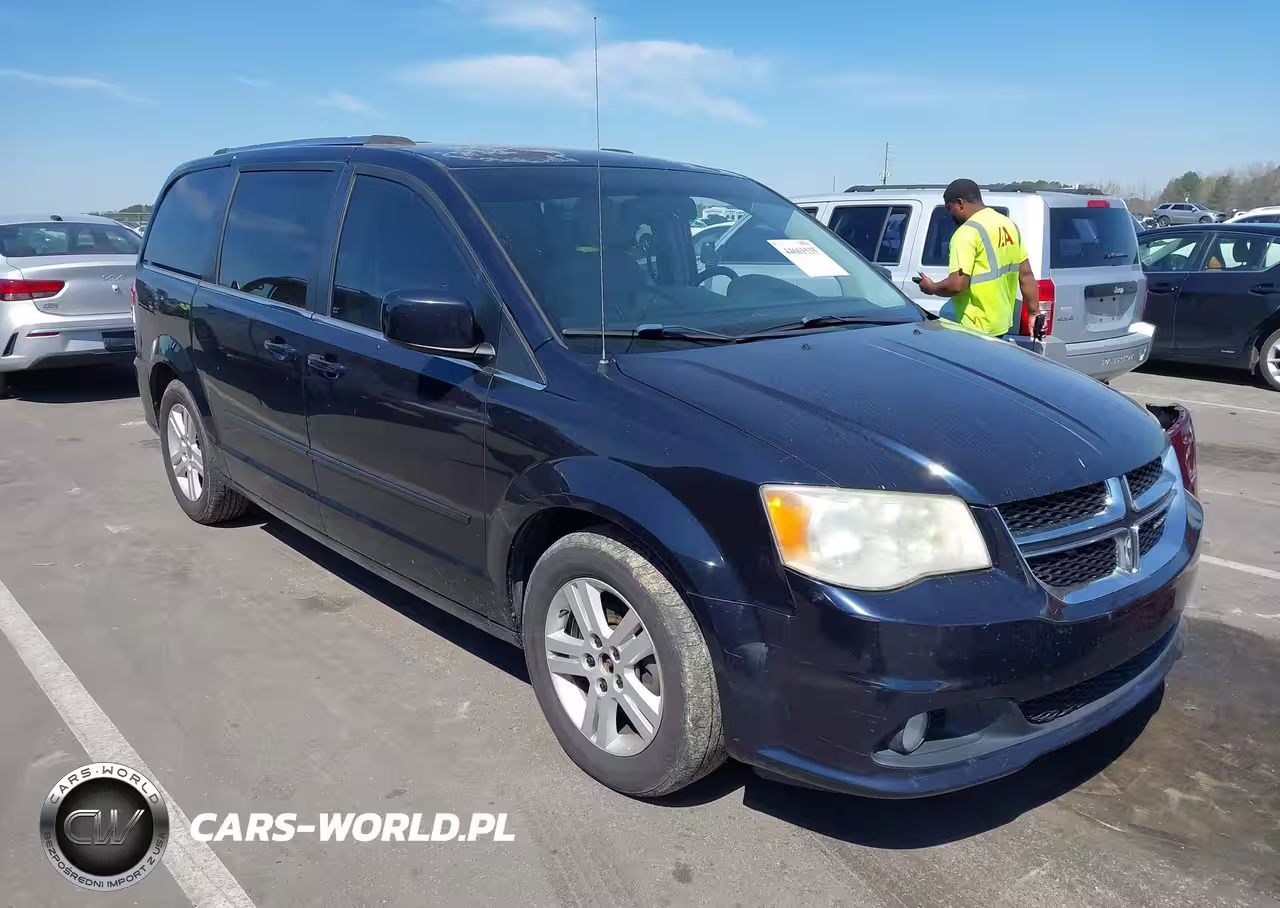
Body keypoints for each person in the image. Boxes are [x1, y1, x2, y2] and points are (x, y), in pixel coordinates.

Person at [917, 179, 1040, 338]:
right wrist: (1034, 313)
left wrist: (931, 287)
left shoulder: (966, 233)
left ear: (960, 203)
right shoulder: (1008, 225)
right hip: (1000, 325)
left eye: (950, 208)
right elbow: (1026, 274)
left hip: (974, 328)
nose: (950, 214)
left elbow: (956, 285)